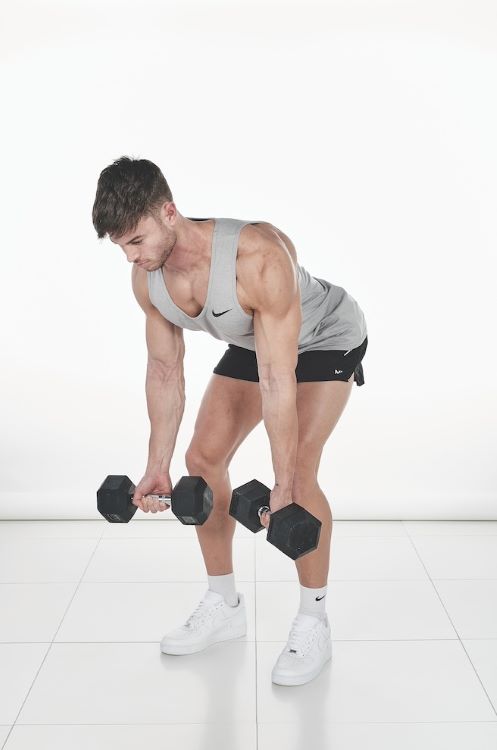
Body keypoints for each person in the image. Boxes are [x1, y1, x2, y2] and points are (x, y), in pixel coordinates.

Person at [92, 156, 368, 687]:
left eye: (136, 240)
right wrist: (157, 466)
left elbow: (277, 378)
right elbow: (164, 371)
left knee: (300, 473)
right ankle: (224, 602)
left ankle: (314, 619)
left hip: (324, 337)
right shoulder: (147, 278)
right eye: (121, 246)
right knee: (203, 458)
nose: (130, 256)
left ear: (168, 212)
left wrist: (283, 485)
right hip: (256, 338)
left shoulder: (255, 257)